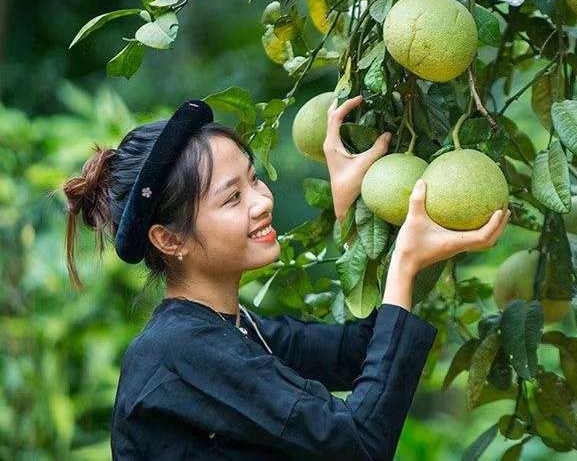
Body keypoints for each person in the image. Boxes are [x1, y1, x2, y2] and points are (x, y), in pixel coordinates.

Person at [63, 96, 510, 460]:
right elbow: (361, 445)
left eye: (254, 179)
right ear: (168, 239)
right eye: (233, 197)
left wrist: (351, 215)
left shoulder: (238, 330)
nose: (261, 201)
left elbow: (365, 348)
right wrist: (404, 264)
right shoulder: (180, 352)